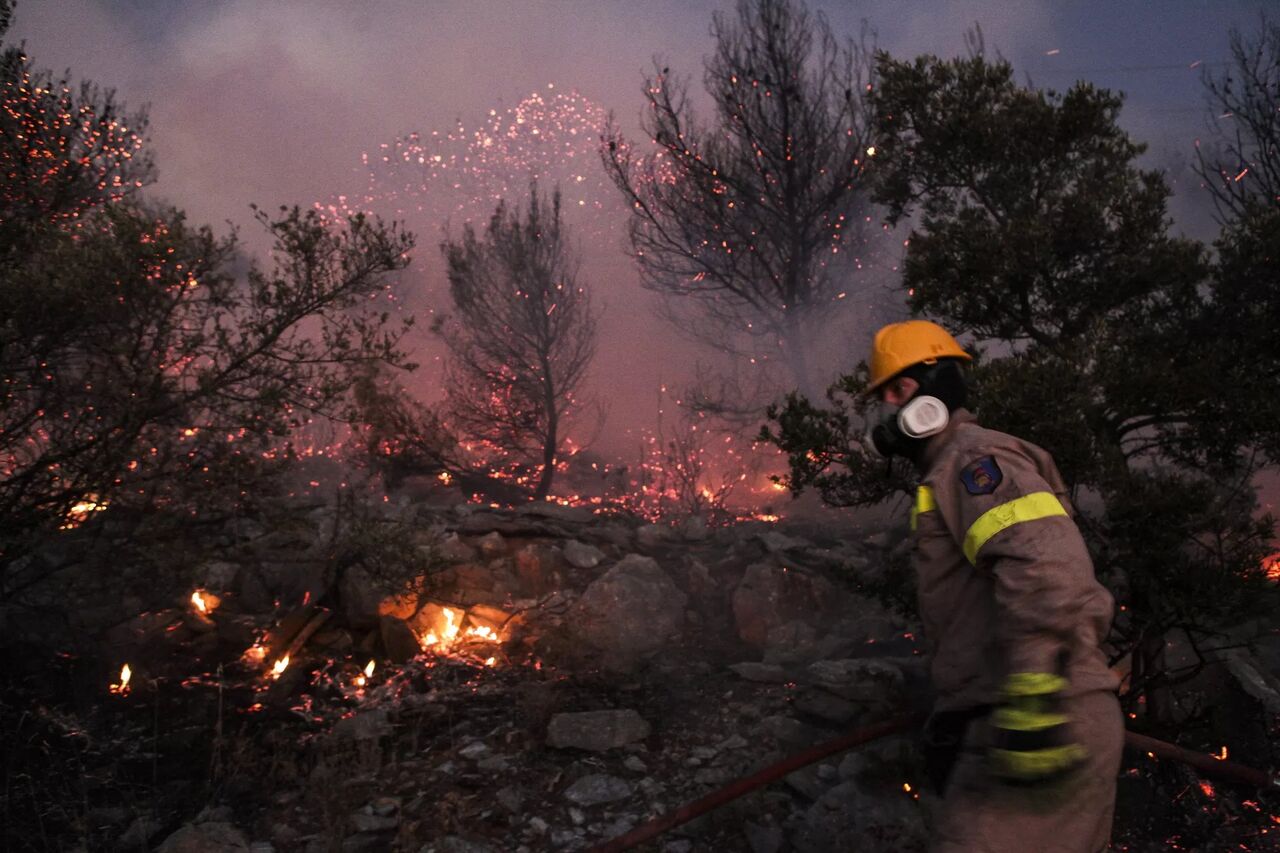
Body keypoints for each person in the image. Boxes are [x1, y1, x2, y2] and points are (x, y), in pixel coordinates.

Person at [864, 319, 1123, 853]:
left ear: (931, 393)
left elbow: (1047, 567)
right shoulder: (951, 468)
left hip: (1041, 717)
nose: (887, 409)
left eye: (897, 391)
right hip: (1028, 715)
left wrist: (1032, 696)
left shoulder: (973, 460)